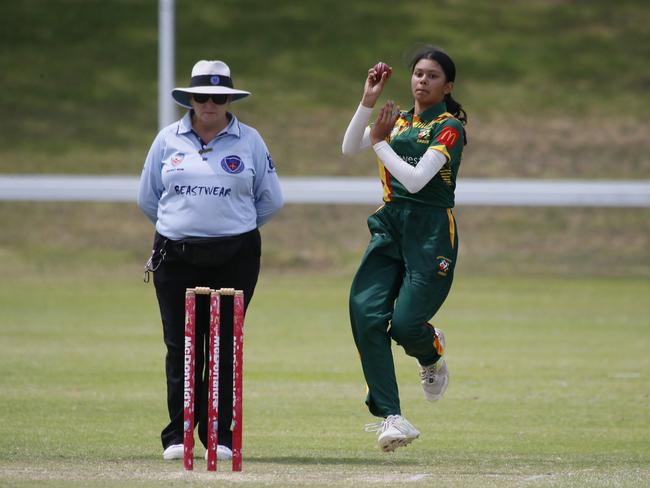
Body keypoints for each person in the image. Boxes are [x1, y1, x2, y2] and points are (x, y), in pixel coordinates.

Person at [137, 60, 283, 461]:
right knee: (181, 344)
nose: (210, 104)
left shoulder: (249, 140)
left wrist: (231, 225)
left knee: (224, 345)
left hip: (235, 257)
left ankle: (218, 433)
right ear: (191, 99)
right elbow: (149, 198)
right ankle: (177, 434)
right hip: (175, 257)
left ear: (229, 100)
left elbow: (270, 200)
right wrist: (182, 226)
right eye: (202, 96)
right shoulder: (167, 140)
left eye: (219, 97)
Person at [341, 46, 467, 452]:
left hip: (430, 232)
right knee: (364, 312)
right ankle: (392, 417)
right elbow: (347, 148)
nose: (422, 81)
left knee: (406, 324)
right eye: (417, 73)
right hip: (390, 226)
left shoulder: (449, 127)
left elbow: (416, 181)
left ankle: (431, 353)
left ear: (447, 86)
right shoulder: (398, 122)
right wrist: (368, 101)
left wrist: (379, 143)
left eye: (432, 76)